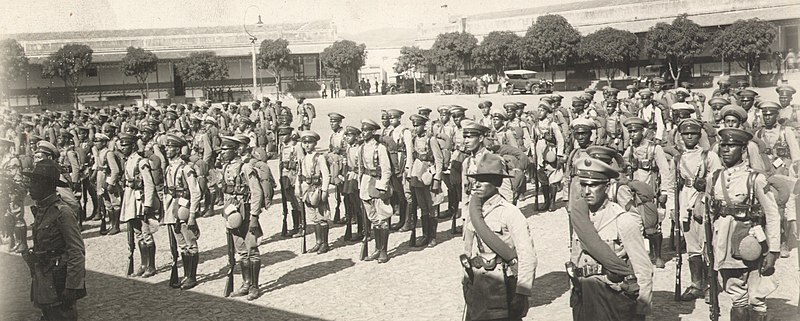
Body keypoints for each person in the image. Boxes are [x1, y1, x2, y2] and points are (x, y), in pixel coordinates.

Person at [707, 128, 781, 321]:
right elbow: (709, 215)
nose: (725, 149)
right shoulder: (714, 178)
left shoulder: (755, 178)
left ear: (743, 150)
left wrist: (773, 251)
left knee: (757, 296)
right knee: (736, 295)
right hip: (724, 244)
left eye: (732, 146)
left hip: (751, 243)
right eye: (723, 145)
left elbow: (772, 214)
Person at [568, 158, 653, 321]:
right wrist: (574, 294)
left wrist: (641, 311)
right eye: (583, 184)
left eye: (593, 185)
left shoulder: (623, 220)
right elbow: (575, 258)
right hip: (585, 298)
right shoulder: (580, 217)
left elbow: (643, 269)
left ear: (607, 186)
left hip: (613, 298)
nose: (586, 191)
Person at [461, 153, 536, 321]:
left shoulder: (510, 213)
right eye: (476, 179)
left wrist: (522, 292)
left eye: (484, 180)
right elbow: (468, 249)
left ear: (496, 183)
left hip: (502, 284)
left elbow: (527, 255)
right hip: (478, 284)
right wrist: (466, 281)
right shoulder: (473, 211)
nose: (477, 184)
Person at [22, 158, 87, 321]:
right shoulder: (42, 210)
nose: (30, 186)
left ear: (46, 184)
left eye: (34, 182)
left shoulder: (62, 212)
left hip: (59, 282)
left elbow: (77, 251)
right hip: (44, 280)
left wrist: (72, 287)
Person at [675, 118, 723, 301]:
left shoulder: (708, 156)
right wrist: (674, 208)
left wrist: (704, 195)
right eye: (686, 134)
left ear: (699, 135)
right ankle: (697, 284)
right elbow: (674, 185)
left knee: (706, 243)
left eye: (693, 133)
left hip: (702, 200)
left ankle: (711, 283)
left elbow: (718, 179)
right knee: (692, 245)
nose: (689, 137)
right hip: (685, 199)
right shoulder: (678, 157)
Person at [219, 135, 264, 300]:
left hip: (245, 213)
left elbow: (257, 193)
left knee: (252, 250)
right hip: (233, 214)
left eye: (225, 150)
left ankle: (254, 286)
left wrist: (254, 216)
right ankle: (245, 283)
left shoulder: (246, 168)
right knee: (241, 251)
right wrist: (226, 214)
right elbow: (226, 194)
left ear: (235, 150)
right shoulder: (225, 168)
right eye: (222, 149)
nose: (222, 153)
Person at [163, 134, 202, 290]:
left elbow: (195, 192)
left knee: (190, 243)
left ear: (177, 149)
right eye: (166, 147)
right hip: (173, 208)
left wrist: (192, 215)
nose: (167, 150)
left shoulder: (186, 168)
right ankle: (186, 275)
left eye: (170, 147)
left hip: (184, 209)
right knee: (182, 245)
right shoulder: (169, 167)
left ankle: (192, 277)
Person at [119, 133, 159, 278]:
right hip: (130, 199)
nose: (123, 148)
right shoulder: (128, 161)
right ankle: (143, 264)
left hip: (140, 200)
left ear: (133, 146)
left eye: (126, 145)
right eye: (122, 145)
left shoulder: (141, 162)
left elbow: (149, 184)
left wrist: (148, 204)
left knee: (146, 233)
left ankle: (151, 265)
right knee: (138, 234)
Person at [359, 119, 393, 263]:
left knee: (383, 218)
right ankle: (377, 248)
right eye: (363, 130)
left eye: (366, 130)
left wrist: (383, 187)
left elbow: (386, 169)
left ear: (373, 132)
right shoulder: (361, 148)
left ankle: (383, 251)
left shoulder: (380, 148)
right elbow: (361, 168)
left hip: (378, 183)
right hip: (366, 183)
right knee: (373, 218)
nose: (363, 133)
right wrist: (360, 185)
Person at [408, 114, 444, 247]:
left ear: (424, 125)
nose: (416, 128)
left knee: (432, 206)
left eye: (418, 125)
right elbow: (411, 157)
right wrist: (409, 175)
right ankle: (425, 235)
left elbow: (439, 160)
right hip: (417, 174)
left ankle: (432, 237)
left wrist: (437, 179)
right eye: (414, 125)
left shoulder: (431, 139)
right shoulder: (413, 139)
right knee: (422, 207)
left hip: (429, 174)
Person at [295, 130, 332, 254]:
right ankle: (318, 242)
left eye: (309, 142)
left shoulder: (319, 157)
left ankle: (325, 243)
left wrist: (325, 190)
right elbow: (299, 175)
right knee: (314, 217)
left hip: (317, 188)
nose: (306, 145)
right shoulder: (303, 158)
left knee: (322, 216)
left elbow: (326, 175)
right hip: (307, 189)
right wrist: (298, 188)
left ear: (315, 143)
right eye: (304, 143)